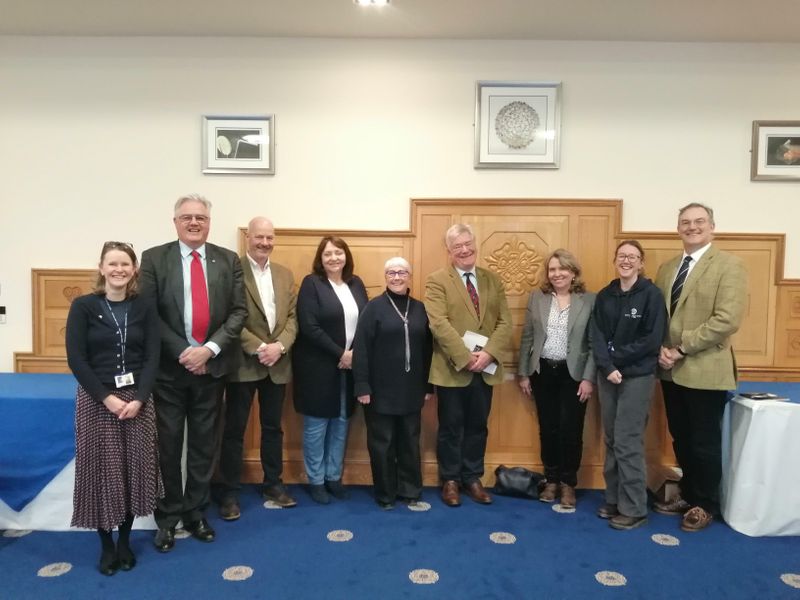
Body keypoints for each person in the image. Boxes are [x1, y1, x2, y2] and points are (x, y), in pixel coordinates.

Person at [139, 194, 246, 552]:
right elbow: (148, 313)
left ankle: (196, 513)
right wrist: (184, 351)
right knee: (169, 448)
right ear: (175, 222)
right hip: (170, 372)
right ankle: (167, 518)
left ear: (209, 222)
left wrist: (208, 350)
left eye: (200, 217)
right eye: (187, 217)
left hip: (211, 370)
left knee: (203, 446)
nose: (194, 222)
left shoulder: (228, 260)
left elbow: (237, 313)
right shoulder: (154, 259)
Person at [65, 241, 162, 575]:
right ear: (101, 267)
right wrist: (107, 398)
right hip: (97, 401)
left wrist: (139, 398)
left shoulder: (145, 306)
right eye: (113, 264)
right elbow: (76, 359)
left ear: (134, 269)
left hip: (138, 400)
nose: (119, 270)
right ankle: (106, 546)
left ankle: (125, 542)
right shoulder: (83, 306)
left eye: (125, 264)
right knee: (102, 473)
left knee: (132, 472)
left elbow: (153, 356)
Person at [654, 203, 747, 532]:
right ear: (678, 228)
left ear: (712, 227)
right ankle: (689, 492)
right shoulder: (667, 268)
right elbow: (659, 317)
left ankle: (705, 504)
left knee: (705, 441)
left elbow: (726, 320)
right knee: (681, 437)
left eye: (699, 222)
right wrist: (662, 352)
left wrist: (680, 348)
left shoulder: (729, 266)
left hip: (705, 368)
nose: (692, 227)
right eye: (685, 222)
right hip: (670, 369)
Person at [425, 223, 512, 507]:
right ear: (449, 252)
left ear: (475, 244)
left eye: (467, 243)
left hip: (485, 368)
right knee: (450, 427)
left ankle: (472, 477)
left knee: (478, 425)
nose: (464, 250)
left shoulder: (491, 279)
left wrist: (488, 354)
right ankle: (450, 480)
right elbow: (438, 323)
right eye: (457, 246)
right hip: (452, 369)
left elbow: (505, 322)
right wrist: (465, 357)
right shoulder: (437, 280)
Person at [217, 217, 298, 521]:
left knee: (273, 428)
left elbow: (293, 317)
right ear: (247, 237)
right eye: (258, 237)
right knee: (235, 430)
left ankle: (273, 485)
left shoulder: (284, 273)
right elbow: (228, 317)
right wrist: (260, 347)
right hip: (243, 364)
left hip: (278, 364)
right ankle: (228, 492)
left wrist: (280, 347)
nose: (264, 242)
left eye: (269, 237)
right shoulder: (231, 270)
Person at [591, 240, 666, 530]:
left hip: (637, 376)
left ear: (641, 263)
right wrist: (607, 366)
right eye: (622, 256)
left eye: (632, 257)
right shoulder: (605, 295)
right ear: (615, 260)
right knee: (610, 439)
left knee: (627, 441)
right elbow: (595, 335)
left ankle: (634, 507)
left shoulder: (651, 295)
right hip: (608, 376)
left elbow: (651, 339)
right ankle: (614, 499)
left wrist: (615, 359)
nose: (626, 261)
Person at [353, 257, 434, 510]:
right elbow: (362, 349)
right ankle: (385, 494)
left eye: (401, 272)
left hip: (411, 389)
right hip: (379, 391)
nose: (396, 277)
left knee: (410, 441)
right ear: (385, 277)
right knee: (382, 444)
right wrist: (362, 386)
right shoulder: (373, 308)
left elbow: (428, 350)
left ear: (410, 276)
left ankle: (410, 490)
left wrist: (428, 386)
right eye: (391, 273)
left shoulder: (420, 308)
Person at [517, 248, 595, 508]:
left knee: (571, 430)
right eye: (552, 269)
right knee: (548, 428)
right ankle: (551, 480)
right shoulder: (537, 298)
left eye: (563, 268)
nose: (557, 273)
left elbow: (595, 343)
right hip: (543, 372)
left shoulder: (589, 300)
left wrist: (588, 378)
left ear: (573, 272)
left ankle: (568, 484)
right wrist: (524, 372)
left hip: (574, 375)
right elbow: (527, 336)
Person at [293, 236, 368, 504]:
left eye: (338, 253)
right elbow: (309, 326)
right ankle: (316, 480)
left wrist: (354, 355)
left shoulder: (356, 283)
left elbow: (367, 322)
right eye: (328, 254)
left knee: (341, 421)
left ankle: (333, 477)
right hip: (318, 367)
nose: (334, 258)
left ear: (346, 256)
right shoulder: (312, 284)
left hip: (350, 367)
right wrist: (341, 354)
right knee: (317, 426)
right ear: (320, 259)